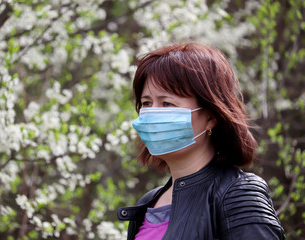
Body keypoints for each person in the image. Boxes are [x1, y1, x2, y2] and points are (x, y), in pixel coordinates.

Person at [117, 42, 286, 240]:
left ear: (210, 117)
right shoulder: (148, 203)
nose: (153, 114)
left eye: (167, 103)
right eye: (146, 103)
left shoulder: (238, 194)